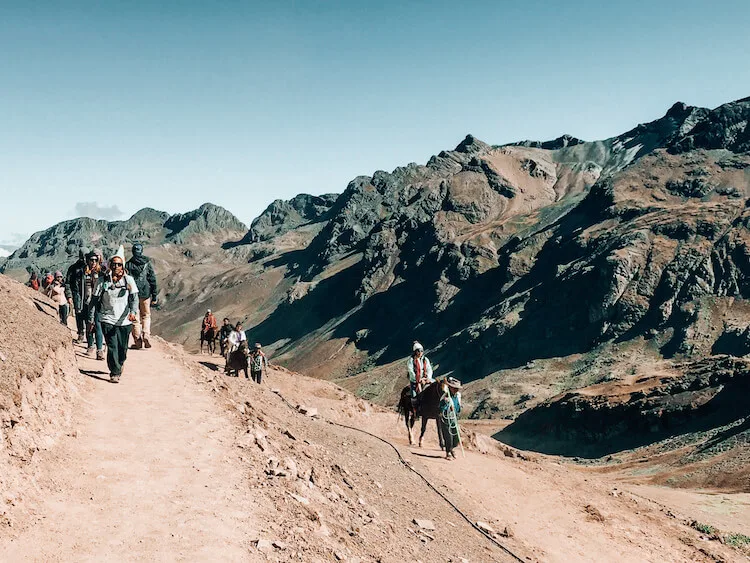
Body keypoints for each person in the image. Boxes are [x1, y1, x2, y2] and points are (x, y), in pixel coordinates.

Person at [89, 245, 138, 383]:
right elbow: (94, 301)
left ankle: (120, 363)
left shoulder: (129, 281)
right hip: (107, 318)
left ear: (122, 266)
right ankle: (114, 372)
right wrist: (91, 318)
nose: (116, 267)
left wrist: (133, 312)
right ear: (110, 265)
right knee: (112, 346)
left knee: (122, 349)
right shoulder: (102, 281)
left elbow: (134, 299)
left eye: (119, 264)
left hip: (124, 321)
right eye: (114, 264)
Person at [125, 243, 159, 350]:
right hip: (145, 293)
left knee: (135, 316)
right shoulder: (146, 263)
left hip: (132, 294)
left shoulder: (128, 264)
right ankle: (146, 335)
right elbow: (152, 279)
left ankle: (138, 341)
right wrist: (154, 295)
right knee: (146, 315)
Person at [83, 250, 105, 360]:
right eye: (91, 260)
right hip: (86, 302)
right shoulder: (83, 272)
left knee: (98, 325)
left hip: (98, 303)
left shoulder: (101, 272)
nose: (93, 262)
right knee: (89, 324)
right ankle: (90, 345)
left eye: (96, 260)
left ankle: (99, 350)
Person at [66, 248, 88, 343]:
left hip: (88, 295)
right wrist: (69, 295)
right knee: (79, 315)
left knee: (88, 316)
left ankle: (90, 336)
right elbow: (67, 283)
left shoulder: (89, 268)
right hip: (77, 295)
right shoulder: (73, 268)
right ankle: (80, 333)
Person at [439, 377, 462, 460]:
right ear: (450, 388)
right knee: (448, 436)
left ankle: (452, 448)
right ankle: (448, 452)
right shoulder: (445, 397)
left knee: (456, 436)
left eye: (457, 389)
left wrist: (457, 409)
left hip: (454, 418)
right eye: (455, 388)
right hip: (446, 419)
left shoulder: (457, 397)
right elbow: (441, 408)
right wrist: (447, 405)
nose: (456, 390)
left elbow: (458, 408)